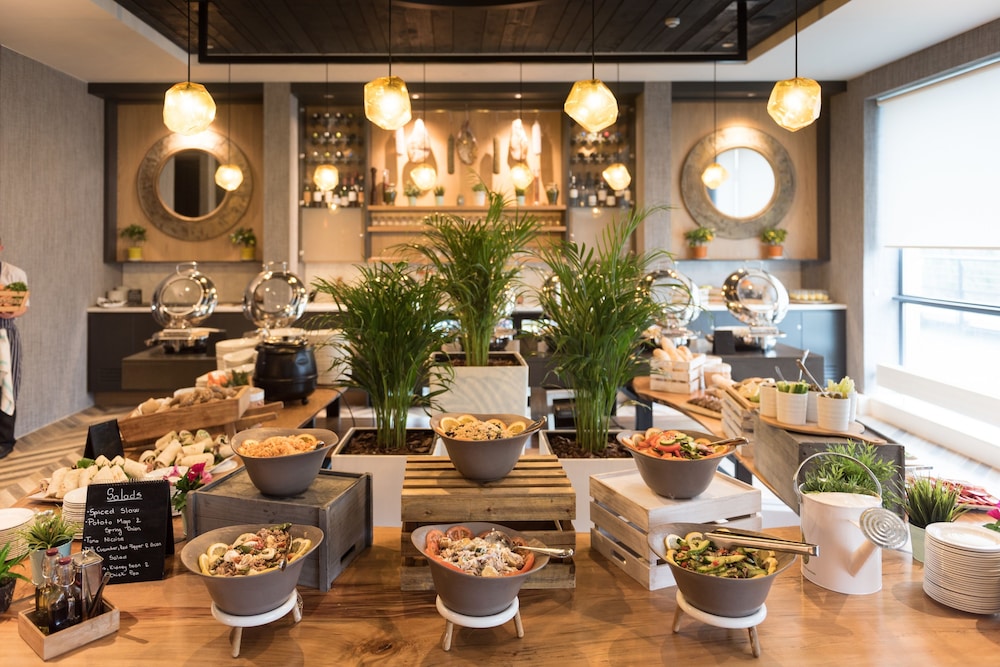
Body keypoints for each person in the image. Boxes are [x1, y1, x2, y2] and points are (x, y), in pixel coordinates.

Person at [0, 237, 28, 459]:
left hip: (6, 332)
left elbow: (23, 306)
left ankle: (6, 441)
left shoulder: (14, 274)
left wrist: (10, 312)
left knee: (8, 385)